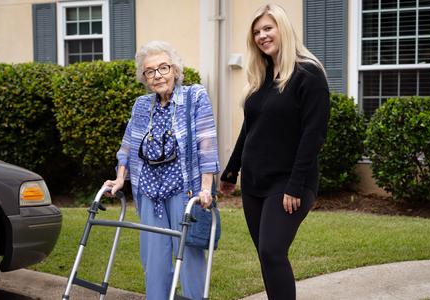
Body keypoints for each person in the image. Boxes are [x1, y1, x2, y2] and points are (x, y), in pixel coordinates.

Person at [220, 4, 330, 300]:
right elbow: (250, 128)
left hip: (289, 182)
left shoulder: (309, 74)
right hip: (255, 183)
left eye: (268, 28)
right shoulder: (262, 76)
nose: (262, 36)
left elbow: (313, 135)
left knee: (272, 250)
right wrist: (231, 171)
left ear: (283, 28)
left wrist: (296, 185)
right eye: (256, 32)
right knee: (266, 257)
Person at [103, 40, 220, 300]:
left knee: (189, 253)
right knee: (154, 259)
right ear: (144, 77)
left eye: (163, 68)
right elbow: (128, 145)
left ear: (176, 70)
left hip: (184, 188)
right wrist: (121, 178)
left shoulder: (194, 96)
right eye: (150, 71)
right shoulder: (142, 105)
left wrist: (206, 187)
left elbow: (207, 142)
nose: (157, 76)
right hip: (148, 192)